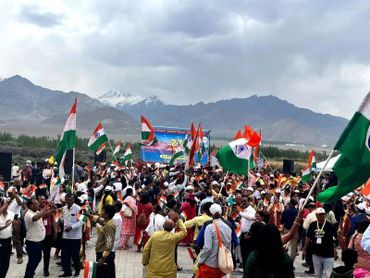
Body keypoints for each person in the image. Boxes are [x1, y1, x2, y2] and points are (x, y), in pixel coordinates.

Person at [142, 211, 187, 278]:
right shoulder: (173, 237)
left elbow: (146, 249)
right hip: (168, 271)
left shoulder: (155, 235)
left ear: (163, 226)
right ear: (173, 228)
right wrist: (179, 220)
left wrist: (145, 262)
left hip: (154, 269)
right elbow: (184, 232)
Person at [197, 203, 232, 278]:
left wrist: (200, 261)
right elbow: (229, 248)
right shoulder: (228, 228)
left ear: (211, 214)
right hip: (222, 265)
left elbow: (207, 248)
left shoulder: (210, 228)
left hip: (210, 264)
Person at [304, 207, 338, 278]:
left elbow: (335, 238)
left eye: (323, 214)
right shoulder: (313, 225)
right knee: (317, 274)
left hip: (328, 254)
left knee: (328, 275)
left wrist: (335, 250)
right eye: (320, 214)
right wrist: (305, 249)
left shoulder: (330, 225)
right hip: (316, 254)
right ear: (316, 215)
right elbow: (308, 237)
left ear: (325, 215)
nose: (321, 216)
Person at [24, 198, 49, 278]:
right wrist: (44, 209)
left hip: (39, 241)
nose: (38, 205)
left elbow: (45, 214)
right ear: (30, 205)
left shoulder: (37, 212)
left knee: (37, 259)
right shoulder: (28, 214)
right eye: (36, 204)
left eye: (38, 203)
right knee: (33, 261)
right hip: (33, 242)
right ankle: (28, 275)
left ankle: (30, 273)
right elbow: (35, 218)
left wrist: (51, 209)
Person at [60, 193, 82, 277]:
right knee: (65, 255)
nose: (70, 201)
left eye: (71, 200)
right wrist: (60, 220)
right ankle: (67, 272)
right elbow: (64, 219)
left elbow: (81, 221)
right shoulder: (64, 208)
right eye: (68, 200)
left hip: (75, 237)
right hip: (65, 236)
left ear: (73, 199)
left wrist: (71, 227)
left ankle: (77, 270)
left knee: (75, 255)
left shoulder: (78, 208)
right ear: (65, 200)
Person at [37, 195, 57, 277]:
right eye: (41, 199)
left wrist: (55, 231)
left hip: (48, 235)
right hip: (38, 235)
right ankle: (32, 269)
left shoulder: (48, 208)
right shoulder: (36, 209)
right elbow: (44, 215)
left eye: (44, 199)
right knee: (37, 255)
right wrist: (51, 210)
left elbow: (53, 221)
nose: (43, 200)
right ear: (38, 200)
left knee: (47, 254)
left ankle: (46, 269)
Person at [94, 205, 116, 278]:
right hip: (103, 253)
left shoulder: (109, 226)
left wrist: (103, 258)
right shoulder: (107, 221)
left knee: (105, 275)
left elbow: (109, 244)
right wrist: (89, 215)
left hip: (105, 255)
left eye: (103, 211)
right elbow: (99, 220)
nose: (101, 212)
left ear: (107, 214)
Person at [7, 186, 24, 264]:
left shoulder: (18, 198)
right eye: (9, 193)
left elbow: (20, 203)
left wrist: (15, 196)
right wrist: (10, 198)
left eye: (11, 193)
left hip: (15, 220)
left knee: (16, 239)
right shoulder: (8, 199)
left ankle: (19, 257)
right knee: (6, 238)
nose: (10, 194)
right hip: (6, 220)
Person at [0, 197, 14, 278]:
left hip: (8, 241)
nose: (6, 206)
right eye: (4, 204)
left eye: (7, 204)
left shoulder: (11, 214)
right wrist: (5, 226)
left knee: (6, 264)